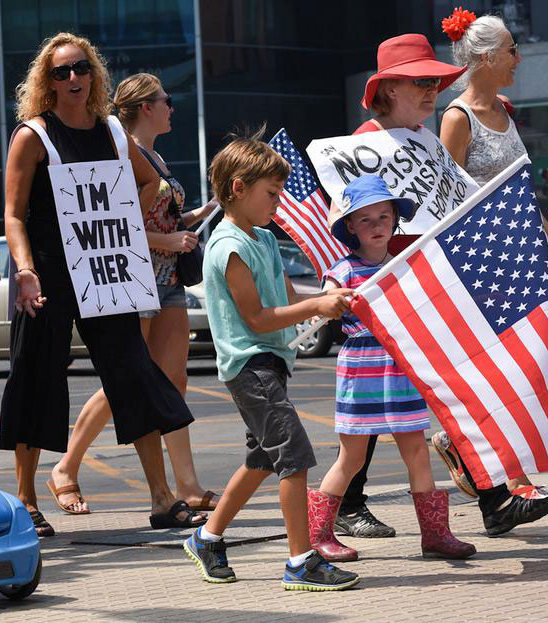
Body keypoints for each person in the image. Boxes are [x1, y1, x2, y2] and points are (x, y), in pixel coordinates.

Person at [0, 33, 203, 536]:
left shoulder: (113, 131)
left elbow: (148, 179)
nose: (73, 78)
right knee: (37, 376)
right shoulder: (33, 134)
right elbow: (13, 215)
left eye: (81, 68)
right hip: (46, 269)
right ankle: (25, 498)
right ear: (45, 81)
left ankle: (161, 499)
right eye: (60, 72)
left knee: (132, 370)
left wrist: (124, 215)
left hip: (104, 265)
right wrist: (24, 270)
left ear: (95, 74)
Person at [182, 130, 359, 591]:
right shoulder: (228, 247)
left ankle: (207, 537)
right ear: (237, 188)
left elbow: (283, 296)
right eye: (271, 194)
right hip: (251, 366)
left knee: (263, 459)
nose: (277, 204)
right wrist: (316, 308)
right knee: (294, 457)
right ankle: (301, 561)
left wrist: (326, 297)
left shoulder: (259, 237)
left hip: (270, 365)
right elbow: (258, 318)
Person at [47, 73, 219, 515]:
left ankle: (188, 484)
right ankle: (66, 467)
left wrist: (207, 209)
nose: (171, 108)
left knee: (172, 381)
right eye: (166, 100)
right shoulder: (122, 150)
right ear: (146, 106)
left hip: (169, 280)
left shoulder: (155, 158)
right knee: (127, 378)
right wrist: (167, 242)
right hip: (136, 277)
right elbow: (113, 229)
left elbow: (165, 217)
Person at [331, 33, 467, 540]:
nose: (432, 91)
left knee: (414, 419)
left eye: (435, 82)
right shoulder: (364, 142)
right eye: (420, 82)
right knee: (365, 427)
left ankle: (484, 496)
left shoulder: (428, 143)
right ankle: (346, 506)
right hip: (384, 286)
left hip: (422, 284)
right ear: (388, 90)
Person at [438, 9, 548, 519]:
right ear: (487, 58)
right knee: (503, 368)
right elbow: (443, 200)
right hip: (483, 265)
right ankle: (509, 476)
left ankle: (485, 457)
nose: (519, 57)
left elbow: (521, 190)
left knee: (527, 362)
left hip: (521, 256)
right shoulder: (456, 118)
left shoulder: (506, 110)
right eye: (513, 49)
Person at [311, 175, 476, 562]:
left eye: (383, 217)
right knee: (350, 457)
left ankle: (436, 534)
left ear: (394, 220)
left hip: (400, 366)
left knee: (417, 451)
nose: (377, 226)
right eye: (365, 219)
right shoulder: (344, 269)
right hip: (361, 368)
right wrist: (336, 297)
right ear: (349, 226)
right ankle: (318, 534)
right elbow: (325, 302)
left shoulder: (403, 266)